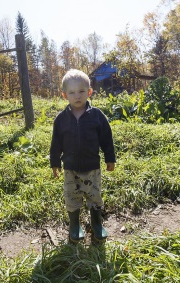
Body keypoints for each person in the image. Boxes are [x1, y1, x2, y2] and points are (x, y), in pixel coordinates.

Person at [50, 69, 116, 243]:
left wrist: (110, 158)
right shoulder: (61, 120)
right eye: (72, 92)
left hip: (92, 167)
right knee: (72, 196)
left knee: (94, 196)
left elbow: (106, 138)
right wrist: (55, 162)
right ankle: (74, 225)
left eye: (81, 91)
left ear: (89, 92)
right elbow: (55, 143)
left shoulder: (97, 116)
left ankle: (96, 223)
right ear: (65, 95)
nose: (77, 96)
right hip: (70, 168)